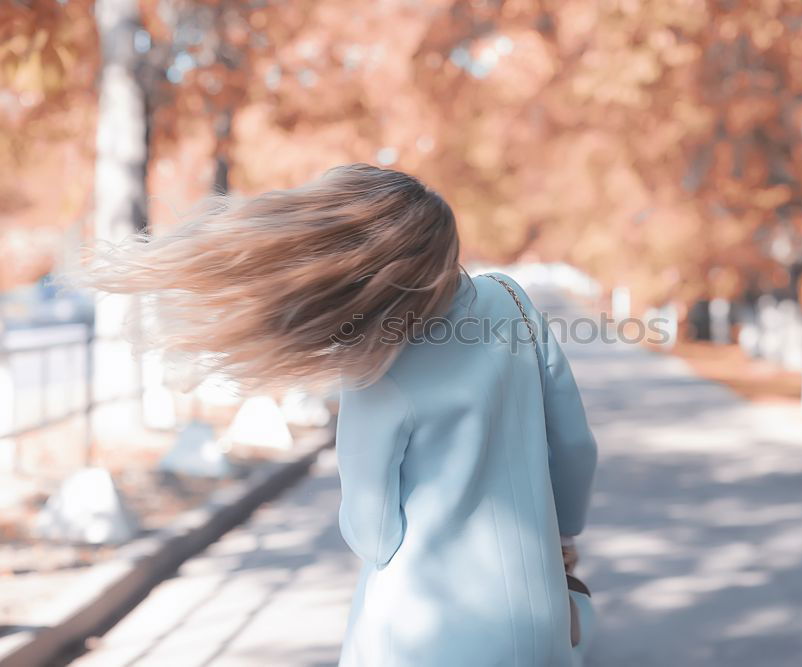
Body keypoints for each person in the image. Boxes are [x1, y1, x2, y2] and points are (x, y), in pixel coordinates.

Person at [74, 163, 599, 666]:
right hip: (539, 615)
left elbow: (373, 532)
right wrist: (564, 533)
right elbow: (574, 443)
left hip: (427, 626)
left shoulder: (378, 362)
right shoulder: (513, 300)